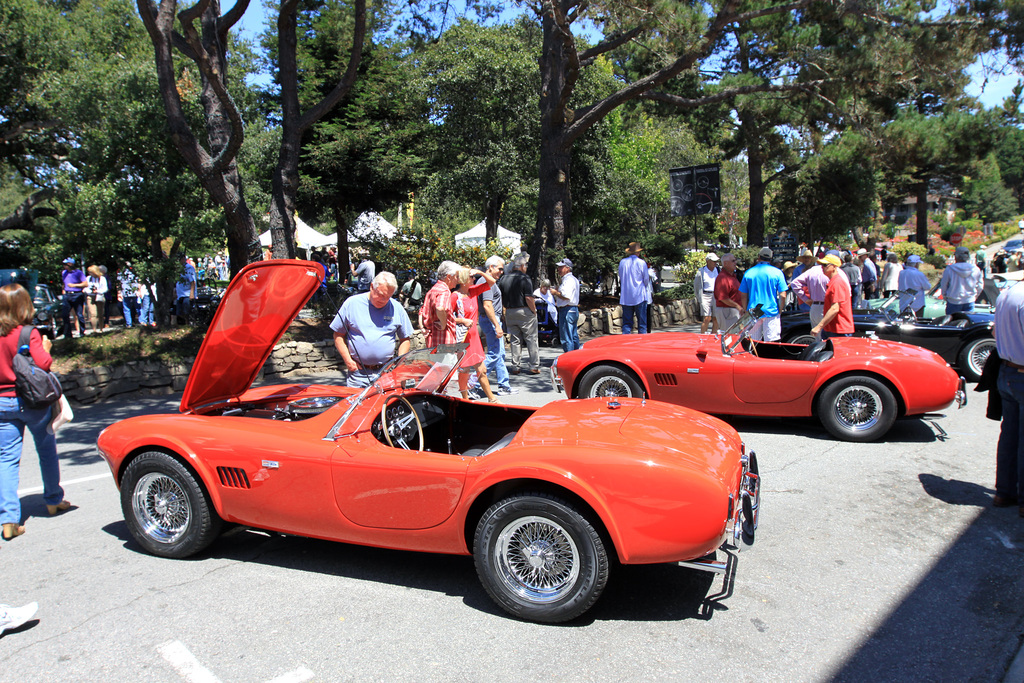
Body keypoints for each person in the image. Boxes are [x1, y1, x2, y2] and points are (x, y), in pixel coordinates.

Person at [0, 284, 71, 541]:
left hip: (2, 402)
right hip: (32, 401)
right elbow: (44, 363)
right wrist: (46, 348)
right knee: (46, 450)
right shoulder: (27, 332)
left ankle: (8, 519)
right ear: (24, 305)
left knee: (6, 460)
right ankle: (53, 500)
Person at [331, 272, 413, 388]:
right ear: (371, 287)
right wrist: (348, 360)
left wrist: (399, 362)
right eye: (380, 294)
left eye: (388, 297)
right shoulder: (352, 304)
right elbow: (338, 335)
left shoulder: (396, 308)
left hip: (386, 372)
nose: (383, 300)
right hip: (358, 374)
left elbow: (405, 339)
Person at [995, 281, 1024, 517]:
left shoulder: (1007, 294)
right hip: (1020, 372)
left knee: (1010, 435)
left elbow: (995, 331)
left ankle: (1005, 491)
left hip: (1007, 370)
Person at [450, 267, 499, 402]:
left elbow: (492, 282)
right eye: (471, 277)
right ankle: (465, 399)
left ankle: (492, 399)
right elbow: (446, 317)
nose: (474, 279)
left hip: (474, 338)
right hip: (463, 338)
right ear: (465, 280)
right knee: (464, 371)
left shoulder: (473, 292)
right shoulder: (455, 296)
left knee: (481, 369)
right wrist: (461, 320)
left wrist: (479, 272)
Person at [470, 256, 514, 397]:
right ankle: (473, 384)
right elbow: (487, 305)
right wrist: (497, 325)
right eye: (500, 268)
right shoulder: (486, 282)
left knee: (499, 354)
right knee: (494, 354)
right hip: (490, 321)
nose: (501, 271)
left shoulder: (489, 282)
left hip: (490, 320)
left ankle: (504, 386)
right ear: (491, 267)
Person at [499, 253, 540, 374]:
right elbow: (528, 298)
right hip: (524, 311)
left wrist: (503, 312)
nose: (526, 268)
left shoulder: (503, 279)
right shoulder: (525, 278)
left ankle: (515, 366)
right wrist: (534, 310)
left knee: (515, 340)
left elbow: (500, 297)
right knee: (531, 338)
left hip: (510, 311)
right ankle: (534, 365)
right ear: (522, 266)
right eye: (525, 265)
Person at [738, 247, 788, 342]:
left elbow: (743, 294)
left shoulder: (749, 273)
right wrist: (780, 310)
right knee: (772, 343)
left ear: (759, 257)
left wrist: (745, 310)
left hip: (754, 312)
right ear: (770, 258)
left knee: (752, 343)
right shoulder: (777, 273)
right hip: (771, 311)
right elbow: (783, 295)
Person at [810, 255, 854, 340]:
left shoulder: (837, 283)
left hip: (839, 330)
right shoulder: (833, 282)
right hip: (832, 328)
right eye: (821, 265)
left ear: (834, 266)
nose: (822, 267)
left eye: (825, 265)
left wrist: (819, 326)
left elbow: (835, 308)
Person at [420, 260, 461, 348]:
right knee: (447, 362)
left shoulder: (433, 290)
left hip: (432, 342)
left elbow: (422, 311)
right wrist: (443, 323)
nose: (458, 280)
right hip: (444, 342)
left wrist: (422, 328)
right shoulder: (444, 291)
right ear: (449, 277)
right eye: (457, 277)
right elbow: (440, 307)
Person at [790, 258, 830, 337]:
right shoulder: (832, 272)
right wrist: (805, 299)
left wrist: (805, 299)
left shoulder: (813, 270)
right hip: (825, 305)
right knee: (828, 336)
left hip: (814, 305)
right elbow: (794, 283)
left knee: (817, 337)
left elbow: (795, 283)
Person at [938, 246, 984, 315]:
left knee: (952, 323)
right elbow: (980, 286)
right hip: (969, 300)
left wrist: (945, 296)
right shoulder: (975, 269)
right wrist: (974, 296)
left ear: (956, 256)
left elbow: (944, 284)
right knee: (966, 323)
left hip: (953, 301)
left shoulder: (950, 269)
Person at [620, 242, 652, 334]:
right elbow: (646, 279)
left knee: (626, 323)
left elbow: (621, 277)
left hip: (626, 296)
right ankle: (642, 344)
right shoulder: (641, 263)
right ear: (637, 252)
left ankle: (626, 343)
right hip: (639, 295)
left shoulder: (623, 262)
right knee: (642, 324)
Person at [551, 257, 582, 352]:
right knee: (573, 336)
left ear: (567, 268)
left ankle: (569, 358)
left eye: (561, 267)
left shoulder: (568, 280)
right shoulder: (573, 279)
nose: (559, 269)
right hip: (572, 309)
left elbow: (566, 296)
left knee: (566, 336)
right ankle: (577, 356)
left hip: (567, 309)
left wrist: (555, 293)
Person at [713, 253, 743, 330]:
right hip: (727, 311)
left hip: (733, 311)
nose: (735, 263)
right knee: (729, 337)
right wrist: (737, 306)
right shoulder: (722, 277)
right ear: (725, 263)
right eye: (733, 261)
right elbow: (723, 298)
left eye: (735, 260)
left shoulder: (733, 276)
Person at [59, 258, 87, 339]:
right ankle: (67, 334)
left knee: (79, 314)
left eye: (65, 265)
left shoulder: (78, 273)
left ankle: (82, 332)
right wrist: (64, 291)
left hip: (77, 294)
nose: (64, 266)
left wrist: (74, 285)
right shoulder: (64, 273)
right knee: (65, 314)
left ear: (70, 264)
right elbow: (64, 283)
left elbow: (85, 284)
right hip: (67, 295)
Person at [691, 252, 718, 334]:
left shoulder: (718, 270)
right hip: (705, 295)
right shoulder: (701, 272)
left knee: (716, 319)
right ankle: (703, 337)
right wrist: (699, 298)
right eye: (713, 261)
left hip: (716, 295)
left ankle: (713, 337)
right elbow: (696, 286)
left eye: (716, 261)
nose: (715, 263)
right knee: (707, 318)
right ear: (708, 261)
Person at [171, 254, 195, 326]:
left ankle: (188, 324)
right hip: (180, 294)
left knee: (186, 311)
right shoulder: (178, 269)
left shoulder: (188, 268)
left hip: (186, 293)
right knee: (179, 312)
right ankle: (185, 324)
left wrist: (192, 293)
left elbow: (192, 281)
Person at [84, 265, 108, 332]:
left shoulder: (102, 278)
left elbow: (105, 288)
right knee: (93, 314)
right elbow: (85, 288)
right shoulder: (88, 278)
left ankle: (101, 329)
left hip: (99, 296)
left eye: (91, 272)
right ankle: (94, 330)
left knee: (100, 314)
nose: (90, 273)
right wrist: (90, 291)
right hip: (90, 296)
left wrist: (97, 291)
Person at [118, 262, 140, 328]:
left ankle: (137, 322)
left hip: (133, 292)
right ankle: (129, 323)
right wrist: (119, 293)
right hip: (126, 292)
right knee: (128, 308)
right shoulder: (121, 273)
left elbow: (139, 281)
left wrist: (139, 290)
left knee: (136, 307)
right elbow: (119, 283)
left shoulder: (134, 272)